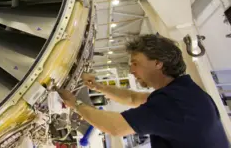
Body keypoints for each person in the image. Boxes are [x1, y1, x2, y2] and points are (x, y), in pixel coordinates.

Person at [58, 34, 230, 148]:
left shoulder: (172, 103)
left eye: (135, 63)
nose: (132, 70)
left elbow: (115, 127)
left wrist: (75, 103)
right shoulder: (187, 93)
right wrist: (99, 87)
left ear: (158, 63)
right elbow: (133, 98)